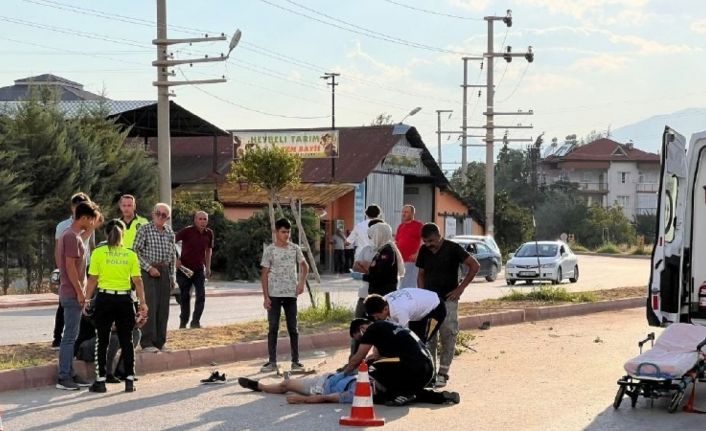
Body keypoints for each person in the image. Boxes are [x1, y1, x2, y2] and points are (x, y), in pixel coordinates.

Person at [85, 219, 148, 393]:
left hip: (104, 299)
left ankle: (100, 381)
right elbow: (138, 281)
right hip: (124, 300)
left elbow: (92, 279)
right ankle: (129, 380)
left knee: (102, 340)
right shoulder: (130, 254)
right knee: (127, 340)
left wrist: (86, 300)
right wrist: (143, 303)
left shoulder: (98, 253)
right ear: (123, 235)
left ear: (106, 234)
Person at [416, 223, 480, 388]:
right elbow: (421, 275)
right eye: (425, 241)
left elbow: (474, 266)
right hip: (430, 303)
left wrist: (460, 289)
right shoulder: (424, 251)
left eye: (431, 241)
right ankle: (430, 374)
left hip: (448, 301)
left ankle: (443, 373)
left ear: (439, 236)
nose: (428, 245)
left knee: (448, 335)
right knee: (429, 338)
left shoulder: (453, 248)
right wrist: (422, 295)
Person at [343, 318, 460, 406]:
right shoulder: (388, 326)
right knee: (405, 390)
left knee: (370, 369)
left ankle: (394, 395)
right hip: (426, 369)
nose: (362, 341)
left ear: (362, 329)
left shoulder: (372, 330)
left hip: (415, 368)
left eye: (360, 338)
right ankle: (439, 397)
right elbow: (379, 356)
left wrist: (343, 374)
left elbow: (358, 359)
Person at [56, 201, 101, 391]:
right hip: (71, 293)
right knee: (69, 337)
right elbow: (70, 267)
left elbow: (81, 243)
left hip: (73, 292)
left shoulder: (74, 235)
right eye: (90, 220)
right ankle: (63, 376)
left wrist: (92, 227)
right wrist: (80, 292)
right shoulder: (70, 236)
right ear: (83, 218)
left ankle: (70, 372)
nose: (91, 223)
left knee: (72, 336)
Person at [260, 218, 309, 373]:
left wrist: (301, 283)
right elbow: (264, 274)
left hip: (290, 294)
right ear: (276, 232)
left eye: (288, 232)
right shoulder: (270, 250)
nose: (286, 235)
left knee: (293, 328)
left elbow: (305, 266)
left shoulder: (295, 248)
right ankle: (272, 362)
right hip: (274, 294)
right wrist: (266, 297)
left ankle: (295, 361)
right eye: (283, 232)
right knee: (273, 327)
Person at [52, 192, 94, 350]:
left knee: (83, 303)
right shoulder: (65, 228)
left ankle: (83, 337)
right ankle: (58, 337)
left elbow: (90, 246)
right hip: (70, 268)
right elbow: (59, 251)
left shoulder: (88, 224)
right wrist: (61, 269)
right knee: (66, 303)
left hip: (85, 266)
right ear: (72, 207)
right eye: (78, 206)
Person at [133, 203, 177, 353]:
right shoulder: (144, 229)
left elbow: (172, 256)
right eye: (158, 213)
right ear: (153, 214)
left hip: (164, 271)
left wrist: (172, 276)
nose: (160, 216)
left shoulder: (170, 232)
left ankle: (160, 342)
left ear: (168, 218)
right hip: (148, 271)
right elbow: (135, 252)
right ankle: (147, 342)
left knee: (163, 308)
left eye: (164, 215)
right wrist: (148, 268)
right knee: (149, 306)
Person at [175, 210, 214, 329]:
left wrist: (208, 267)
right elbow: (171, 241)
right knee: (185, 296)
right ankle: (183, 322)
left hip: (199, 270)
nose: (202, 221)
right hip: (184, 269)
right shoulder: (187, 231)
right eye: (200, 219)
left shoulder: (209, 233)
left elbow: (209, 250)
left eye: (205, 219)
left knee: (201, 295)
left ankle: (195, 322)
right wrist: (176, 259)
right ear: (195, 220)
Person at [364, 288, 446, 343]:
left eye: (377, 316)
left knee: (422, 343)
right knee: (415, 340)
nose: (376, 318)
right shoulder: (384, 300)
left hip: (435, 308)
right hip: (417, 311)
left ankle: (426, 364)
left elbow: (400, 334)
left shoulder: (400, 311)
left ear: (385, 309)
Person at [237, 371, 357, 404]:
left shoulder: (356, 393)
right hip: (328, 377)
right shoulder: (365, 376)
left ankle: (260, 386)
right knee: (287, 383)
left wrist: (303, 399)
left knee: (286, 384)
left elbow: (327, 398)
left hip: (321, 387)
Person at [361, 223, 404, 297]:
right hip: (379, 291)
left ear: (379, 236)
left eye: (372, 237)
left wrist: (366, 276)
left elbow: (380, 271)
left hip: (384, 292)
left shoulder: (387, 251)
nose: (371, 240)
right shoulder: (382, 250)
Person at [395, 205, 424, 289]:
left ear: (412, 213)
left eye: (406, 212)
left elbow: (424, 241)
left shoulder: (418, 225)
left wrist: (417, 254)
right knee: (400, 285)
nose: (404, 214)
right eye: (403, 212)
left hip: (411, 261)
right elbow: (396, 242)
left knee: (409, 285)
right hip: (400, 261)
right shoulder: (401, 226)